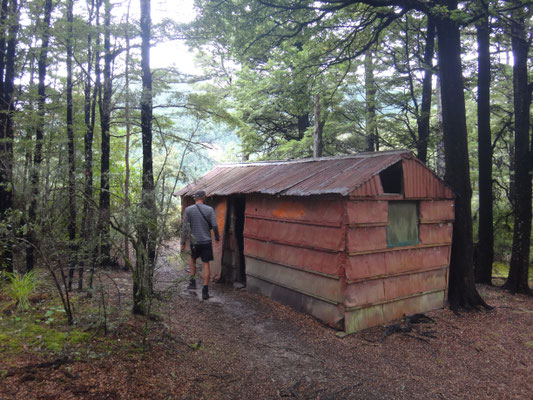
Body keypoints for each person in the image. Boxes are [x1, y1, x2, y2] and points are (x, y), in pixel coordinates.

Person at [180, 190, 220, 300]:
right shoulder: (209, 209)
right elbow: (215, 225)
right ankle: (205, 291)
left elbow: (185, 228)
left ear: (195, 198)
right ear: (204, 197)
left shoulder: (188, 210)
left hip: (194, 242)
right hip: (206, 241)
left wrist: (182, 243)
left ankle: (192, 282)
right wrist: (217, 237)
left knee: (192, 259)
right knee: (205, 263)